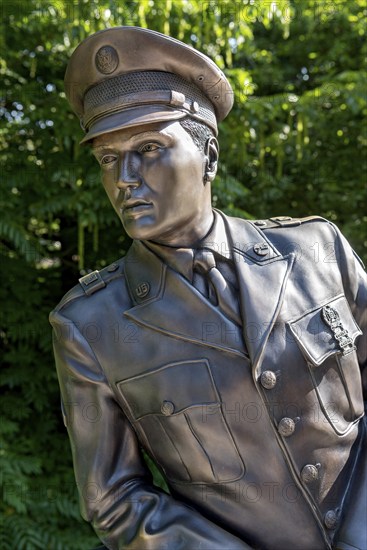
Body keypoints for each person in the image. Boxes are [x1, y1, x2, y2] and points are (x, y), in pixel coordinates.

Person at [49, 26, 366, 550]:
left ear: (210, 156)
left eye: (148, 148)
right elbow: (114, 497)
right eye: (108, 158)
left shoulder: (315, 252)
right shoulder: (91, 326)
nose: (124, 176)